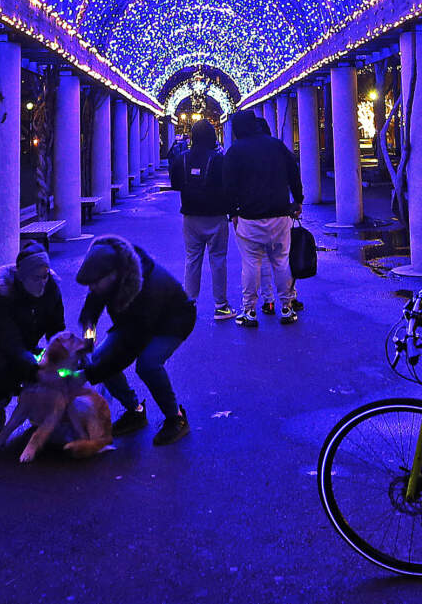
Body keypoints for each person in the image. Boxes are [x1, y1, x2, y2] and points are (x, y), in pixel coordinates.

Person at [75, 235, 195, 445]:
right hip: (133, 323)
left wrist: (87, 374)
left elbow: (130, 348)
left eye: (95, 283)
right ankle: (135, 411)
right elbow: (91, 310)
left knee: (148, 364)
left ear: (113, 274)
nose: (92, 287)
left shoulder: (149, 286)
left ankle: (176, 417)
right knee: (99, 358)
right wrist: (88, 338)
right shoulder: (106, 276)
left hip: (173, 322)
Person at [0, 240, 65, 441]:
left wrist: (62, 355)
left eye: (45, 276)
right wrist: (35, 365)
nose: (42, 282)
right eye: (36, 278)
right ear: (22, 277)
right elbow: (8, 341)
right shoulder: (4, 297)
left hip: (27, 351)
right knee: (1, 372)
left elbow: (56, 329)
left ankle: (38, 414)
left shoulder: (51, 290)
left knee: (57, 369)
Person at [219, 110, 303, 328]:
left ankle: (249, 311)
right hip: (279, 215)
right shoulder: (276, 145)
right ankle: (287, 307)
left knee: (251, 265)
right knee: (281, 261)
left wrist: (233, 212)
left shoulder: (234, 152)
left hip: (249, 218)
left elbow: (227, 186)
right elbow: (293, 172)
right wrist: (298, 199)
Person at [171, 119, 235, 320]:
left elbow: (175, 184)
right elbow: (228, 187)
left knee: (192, 259)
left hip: (190, 215)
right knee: (218, 260)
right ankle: (221, 306)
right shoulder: (218, 159)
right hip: (216, 216)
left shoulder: (181, 158)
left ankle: (188, 303)